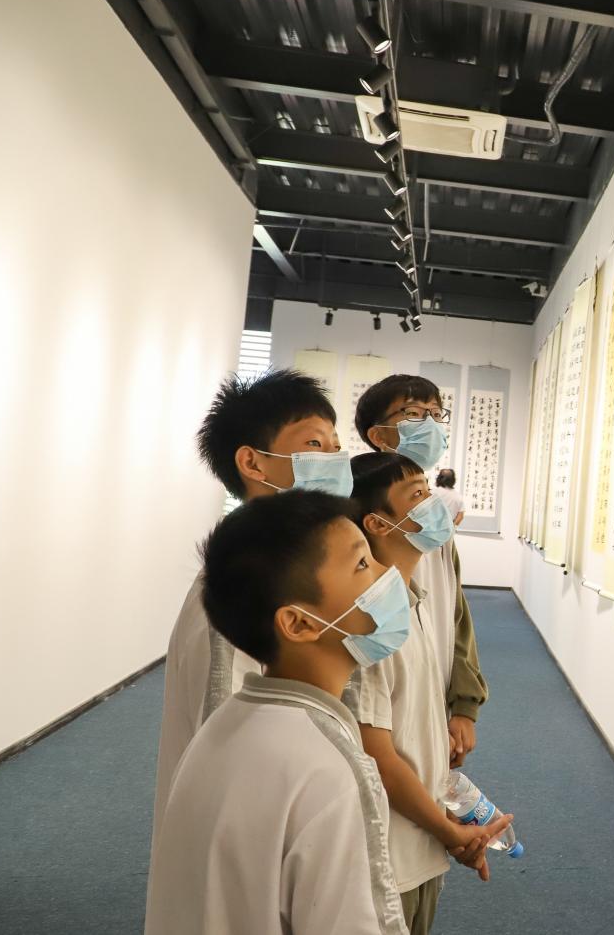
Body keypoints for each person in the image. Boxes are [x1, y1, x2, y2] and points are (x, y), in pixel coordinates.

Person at [146, 491, 442, 934]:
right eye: (363, 564)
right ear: (299, 623)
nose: (388, 574)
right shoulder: (330, 765)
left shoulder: (222, 729)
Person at [151, 369, 350, 849]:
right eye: (315, 444)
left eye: (337, 445)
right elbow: (234, 760)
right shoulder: (236, 594)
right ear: (253, 463)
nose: (336, 459)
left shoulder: (285, 573)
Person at [346, 451, 500, 935]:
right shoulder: (372, 618)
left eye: (429, 491)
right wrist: (447, 830)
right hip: (387, 857)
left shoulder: (411, 601)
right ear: (378, 523)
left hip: (421, 845)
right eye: (417, 496)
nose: (433, 504)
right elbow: (376, 755)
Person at [355, 376, 486, 768]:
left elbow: (457, 616)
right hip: (380, 698)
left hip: (434, 685)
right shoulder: (360, 516)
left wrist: (464, 705)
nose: (430, 424)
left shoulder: (435, 522)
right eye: (413, 413)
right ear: (379, 435)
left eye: (435, 413)